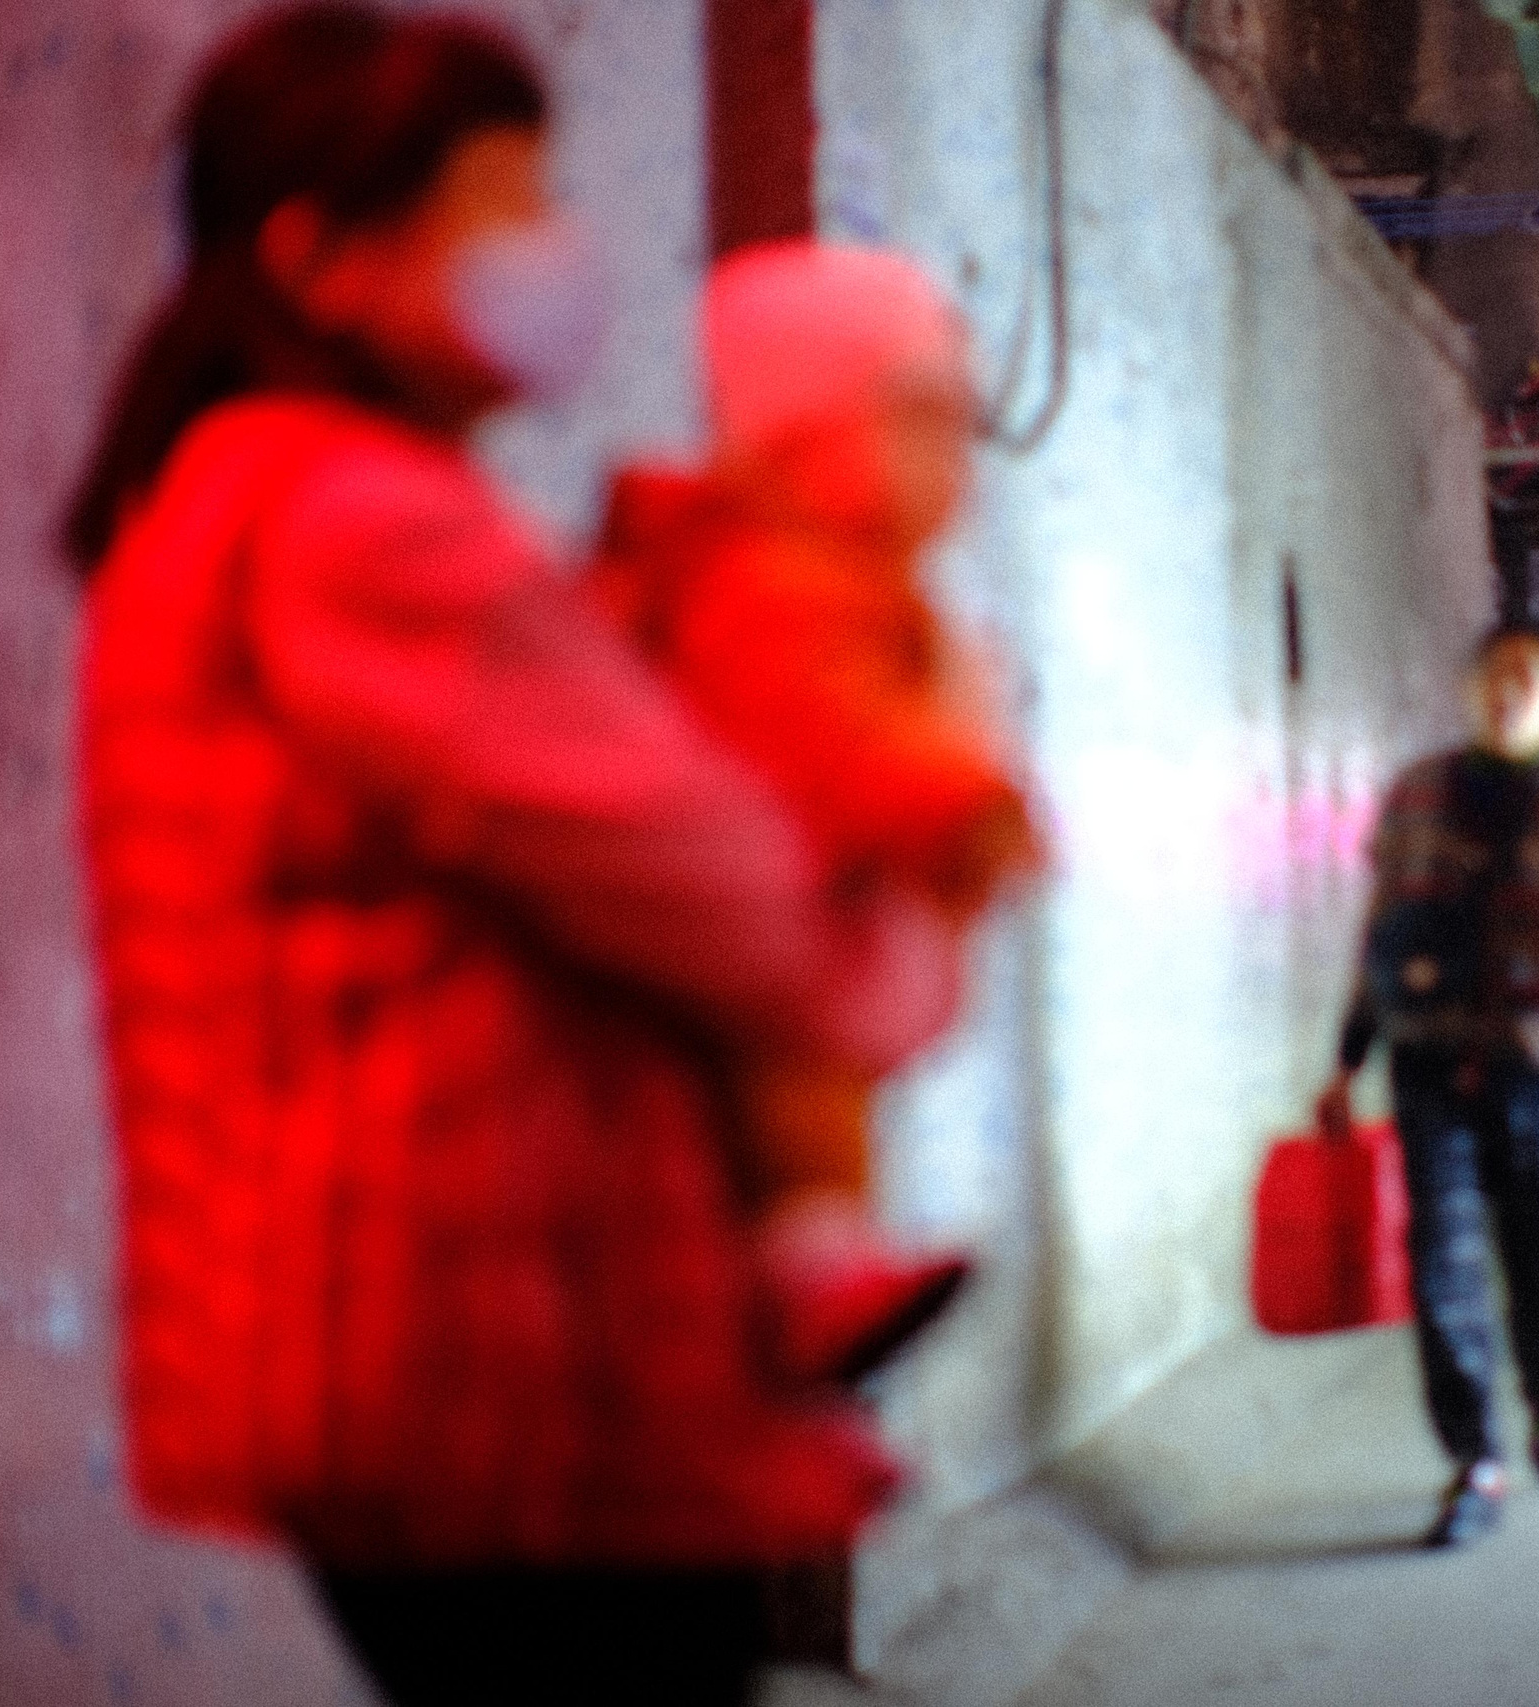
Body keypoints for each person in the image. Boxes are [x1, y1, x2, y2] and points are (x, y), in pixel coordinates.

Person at [68, 9, 961, 1702]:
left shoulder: (255, 500)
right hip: (479, 1365)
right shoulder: (352, 520)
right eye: (501, 205)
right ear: (320, 257)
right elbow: (694, 863)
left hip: (416, 1342)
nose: (555, 249)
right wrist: (883, 955)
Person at [596, 240, 1040, 1379]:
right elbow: (820, 744)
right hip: (768, 934)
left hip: (802, 925)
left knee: (809, 1090)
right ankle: (811, 1259)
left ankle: (818, 1249)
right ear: (817, 430)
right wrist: (964, 798)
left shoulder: (840, 584)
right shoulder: (771, 583)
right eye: (921, 417)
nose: (957, 461)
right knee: (786, 1076)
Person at [1314, 624, 1539, 1548]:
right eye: (1495, 673)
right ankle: (1475, 1459)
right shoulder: (1416, 794)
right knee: (1444, 1269)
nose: (1510, 690)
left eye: (1532, 677)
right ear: (1470, 687)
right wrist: (1348, 1057)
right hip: (1429, 1064)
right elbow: (1383, 934)